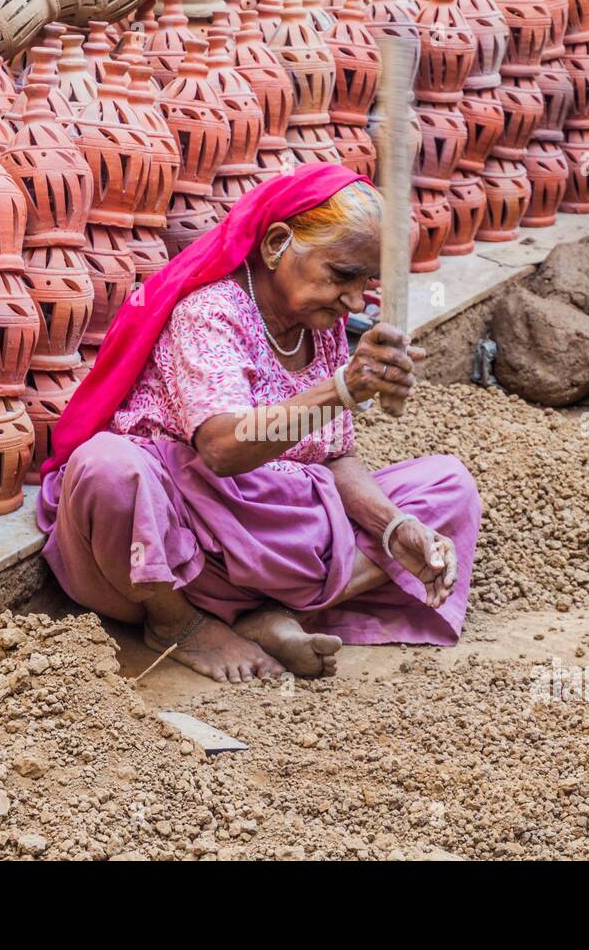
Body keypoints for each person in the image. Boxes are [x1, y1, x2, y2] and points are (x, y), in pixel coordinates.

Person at [37, 164, 481, 683]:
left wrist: (393, 528)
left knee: (448, 488)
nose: (356, 301)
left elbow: (335, 457)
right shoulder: (211, 312)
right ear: (275, 244)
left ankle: (272, 618)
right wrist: (343, 390)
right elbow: (223, 450)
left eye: (365, 282)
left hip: (281, 533)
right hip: (183, 545)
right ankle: (178, 626)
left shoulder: (321, 325)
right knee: (107, 469)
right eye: (342, 275)